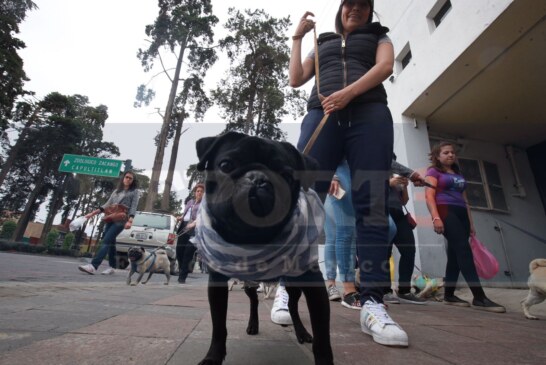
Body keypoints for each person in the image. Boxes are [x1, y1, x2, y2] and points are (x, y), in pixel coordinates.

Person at [290, 0, 420, 346]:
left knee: (373, 205)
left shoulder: (381, 37)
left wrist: (347, 94)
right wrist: (297, 38)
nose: (357, 9)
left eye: (364, 5)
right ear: (342, 7)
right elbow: (296, 79)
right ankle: (288, 291)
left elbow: (385, 67)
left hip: (369, 115)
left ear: (370, 11)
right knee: (305, 200)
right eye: (352, 3)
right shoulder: (322, 42)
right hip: (323, 115)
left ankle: (373, 303)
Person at [425, 141, 505, 313]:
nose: (450, 155)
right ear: (437, 156)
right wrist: (435, 217)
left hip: (461, 213)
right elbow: (429, 196)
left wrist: (471, 223)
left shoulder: (459, 174)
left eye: (452, 152)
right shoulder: (433, 171)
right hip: (445, 211)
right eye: (446, 152)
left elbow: (465, 200)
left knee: (455, 255)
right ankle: (479, 297)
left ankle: (449, 295)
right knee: (463, 249)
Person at [383, 155, 427, 305]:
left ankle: (404, 289)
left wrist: (404, 187)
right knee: (385, 252)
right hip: (383, 213)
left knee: (409, 250)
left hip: (399, 215)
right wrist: (388, 183)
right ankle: (384, 290)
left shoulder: (396, 179)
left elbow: (404, 201)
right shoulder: (374, 174)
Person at [78, 171, 140, 275]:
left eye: (130, 178)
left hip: (122, 218)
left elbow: (134, 206)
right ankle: (112, 267)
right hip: (111, 218)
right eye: (127, 177)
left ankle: (93, 266)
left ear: (133, 181)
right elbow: (107, 204)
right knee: (111, 243)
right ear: (123, 178)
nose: (128, 179)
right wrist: (92, 214)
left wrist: (130, 220)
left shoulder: (134, 191)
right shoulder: (116, 191)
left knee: (106, 241)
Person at [324, 161, 359, 309]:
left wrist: (409, 173)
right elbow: (327, 151)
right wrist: (332, 175)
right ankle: (332, 284)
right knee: (336, 235)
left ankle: (350, 285)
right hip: (336, 180)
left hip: (354, 180)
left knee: (348, 234)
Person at [176, 183, 204, 284]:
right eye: (198, 191)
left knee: (188, 252)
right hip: (184, 228)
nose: (199, 193)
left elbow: (201, 217)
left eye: (201, 191)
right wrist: (180, 217)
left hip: (196, 231)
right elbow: (185, 214)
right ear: (195, 192)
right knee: (179, 252)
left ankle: (182, 277)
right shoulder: (190, 202)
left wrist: (193, 224)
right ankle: (182, 269)